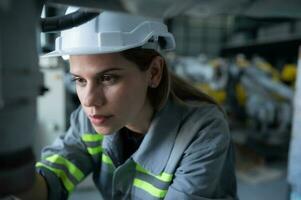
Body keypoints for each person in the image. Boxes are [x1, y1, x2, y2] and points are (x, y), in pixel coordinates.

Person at [18, 7, 237, 200]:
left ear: (153, 72)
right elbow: (51, 181)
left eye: (107, 78)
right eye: (80, 80)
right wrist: (16, 177)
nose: (89, 100)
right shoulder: (89, 120)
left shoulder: (201, 131)